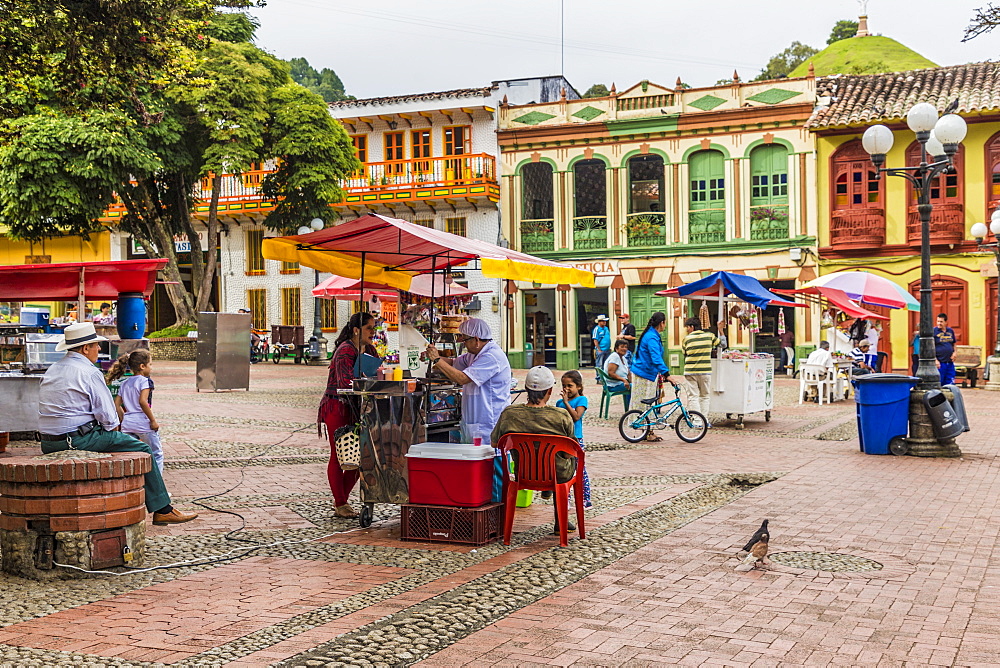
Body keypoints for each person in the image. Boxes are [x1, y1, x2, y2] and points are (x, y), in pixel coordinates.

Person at [36, 322, 196, 525]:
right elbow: (109, 418)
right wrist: (112, 433)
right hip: (77, 439)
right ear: (86, 348)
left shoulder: (53, 369)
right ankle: (163, 508)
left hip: (48, 442)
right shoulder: (88, 372)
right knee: (143, 448)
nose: (99, 349)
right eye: (96, 345)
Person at [491, 366, 577, 534]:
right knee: (566, 461)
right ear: (550, 391)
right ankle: (561, 520)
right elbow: (569, 452)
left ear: (527, 389)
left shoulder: (510, 413)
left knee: (551, 463)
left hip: (524, 473)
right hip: (556, 474)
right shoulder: (561, 416)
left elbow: (495, 443)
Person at [319, 312, 378, 518]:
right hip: (338, 406)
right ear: (356, 330)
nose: (373, 332)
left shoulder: (369, 349)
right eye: (369, 328)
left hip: (358, 407)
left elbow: (375, 373)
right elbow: (345, 384)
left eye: (374, 328)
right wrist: (364, 380)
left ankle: (341, 499)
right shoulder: (345, 350)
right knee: (340, 454)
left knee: (360, 455)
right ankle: (340, 502)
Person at [425, 317, 511, 445]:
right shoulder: (475, 354)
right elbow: (454, 363)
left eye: (464, 339)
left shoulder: (491, 356)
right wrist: (432, 357)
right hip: (474, 421)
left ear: (476, 340)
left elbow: (462, 378)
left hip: (489, 423)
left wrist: (437, 360)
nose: (463, 343)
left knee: (489, 460)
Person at [630, 312, 686, 442]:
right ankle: (646, 432)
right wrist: (667, 375)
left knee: (646, 403)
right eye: (665, 322)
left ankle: (647, 431)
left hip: (647, 372)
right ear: (662, 323)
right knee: (644, 403)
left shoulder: (652, 335)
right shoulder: (651, 337)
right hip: (645, 374)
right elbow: (656, 358)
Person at [107, 350, 163, 474]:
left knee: (133, 455)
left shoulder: (125, 383)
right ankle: (158, 488)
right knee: (156, 454)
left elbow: (116, 404)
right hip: (143, 424)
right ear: (142, 366)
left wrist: (124, 419)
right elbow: (143, 401)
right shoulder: (145, 381)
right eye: (150, 364)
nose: (152, 368)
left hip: (128, 425)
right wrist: (153, 421)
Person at [555, 370, 591, 508]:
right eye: (564, 385)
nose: (566, 389)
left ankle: (584, 498)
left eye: (570, 386)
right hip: (563, 439)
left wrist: (566, 403)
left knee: (579, 468)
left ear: (579, 387)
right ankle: (566, 498)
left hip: (576, 439)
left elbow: (576, 416)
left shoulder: (582, 400)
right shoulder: (559, 403)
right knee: (564, 469)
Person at [681, 317, 720, 427]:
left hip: (690, 371)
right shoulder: (709, 336)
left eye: (687, 327)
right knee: (705, 396)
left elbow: (684, 353)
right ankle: (704, 421)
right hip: (705, 371)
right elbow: (721, 344)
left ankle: (697, 422)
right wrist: (720, 330)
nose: (687, 330)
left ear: (692, 327)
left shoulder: (686, 339)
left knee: (693, 396)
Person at [934, 312, 957, 385]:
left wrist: (955, 352)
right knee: (940, 382)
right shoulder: (933, 331)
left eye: (941, 321)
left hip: (949, 362)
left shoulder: (950, 331)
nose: (939, 323)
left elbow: (954, 343)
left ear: (946, 322)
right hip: (940, 362)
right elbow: (930, 347)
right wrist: (935, 360)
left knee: (950, 382)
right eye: (938, 321)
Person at [591, 315, 611, 380]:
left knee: (606, 364)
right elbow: (595, 340)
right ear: (599, 322)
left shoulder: (606, 328)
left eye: (605, 321)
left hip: (607, 349)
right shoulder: (596, 329)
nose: (605, 322)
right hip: (601, 349)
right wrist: (599, 349)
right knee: (599, 365)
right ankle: (599, 378)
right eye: (603, 321)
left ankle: (605, 377)